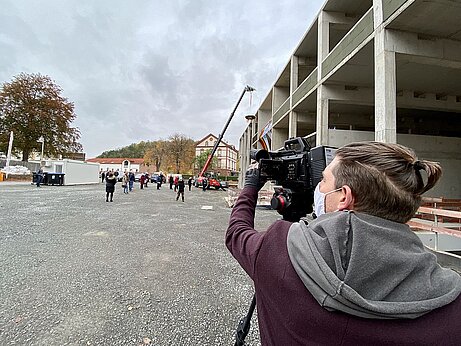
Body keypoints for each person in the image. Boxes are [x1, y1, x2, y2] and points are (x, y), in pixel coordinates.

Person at [226, 141, 461, 345]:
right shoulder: (451, 296)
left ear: (344, 197)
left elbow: (237, 233)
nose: (318, 187)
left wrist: (250, 187)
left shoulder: (279, 249)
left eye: (323, 180)